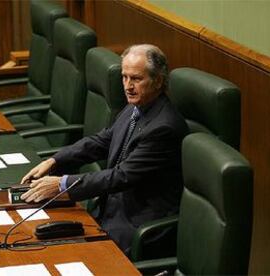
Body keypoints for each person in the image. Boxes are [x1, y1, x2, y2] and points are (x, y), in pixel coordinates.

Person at [20, 44, 189, 254]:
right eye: (124, 77)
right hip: (108, 211)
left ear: (158, 81)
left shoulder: (164, 127)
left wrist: (62, 184)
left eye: (136, 79)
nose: (128, 86)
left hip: (135, 229)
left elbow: (121, 176)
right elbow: (102, 141)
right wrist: (54, 161)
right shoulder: (135, 108)